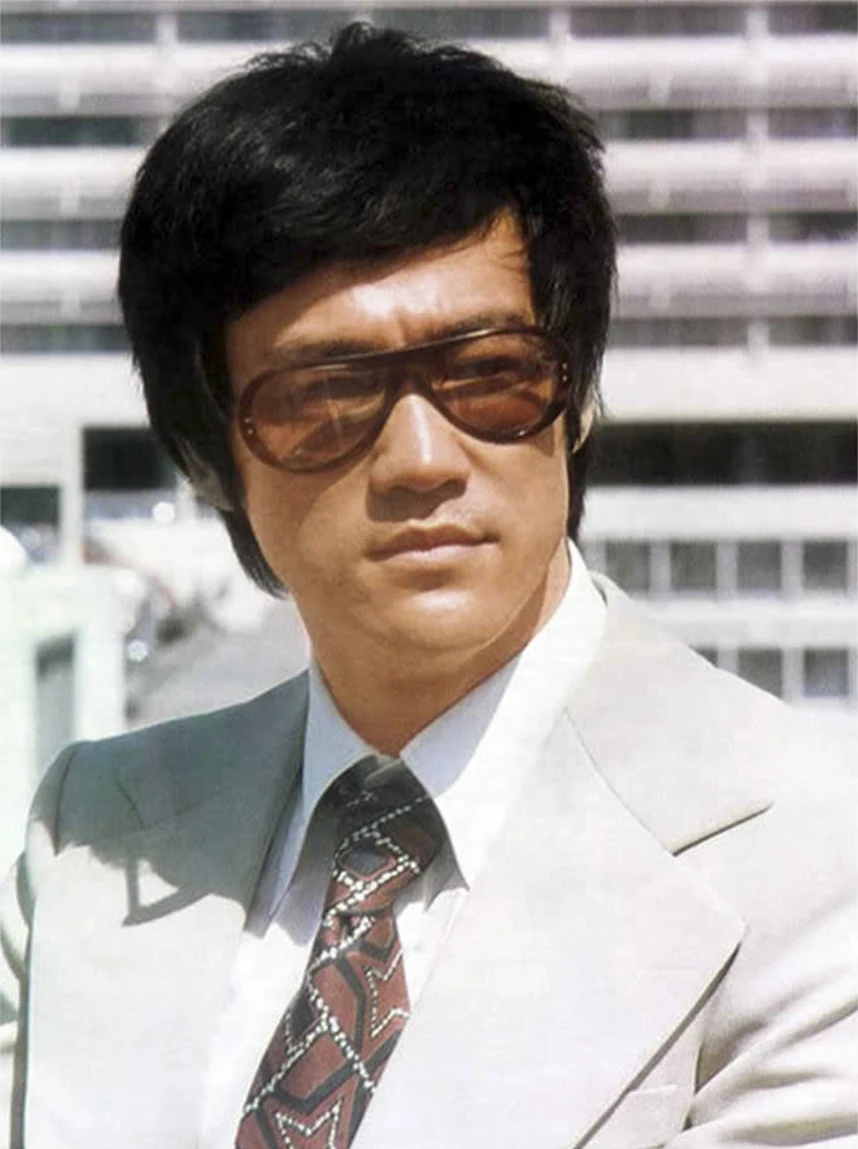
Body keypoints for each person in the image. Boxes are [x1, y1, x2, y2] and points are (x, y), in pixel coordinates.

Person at [1, 22, 854, 1149]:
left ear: (575, 399)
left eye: (490, 374)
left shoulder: (816, 853)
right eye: (326, 396)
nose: (420, 460)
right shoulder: (93, 831)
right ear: (210, 455)